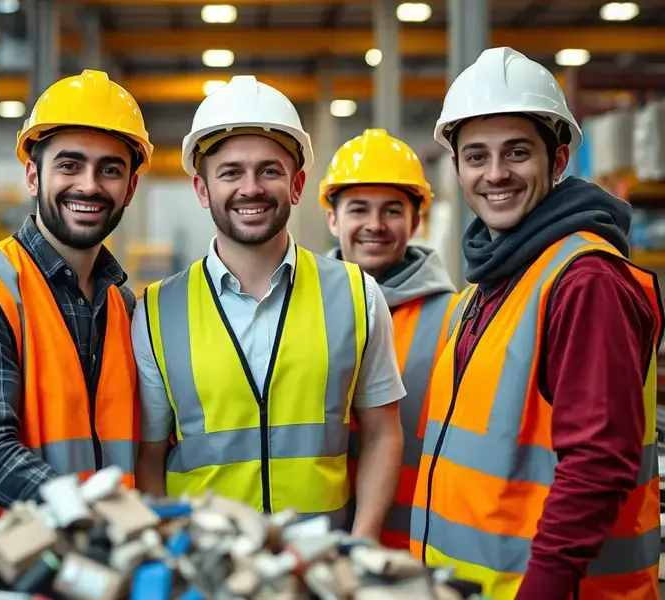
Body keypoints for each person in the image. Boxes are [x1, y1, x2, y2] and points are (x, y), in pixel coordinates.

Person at [409, 47, 664, 600]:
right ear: (455, 167)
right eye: (476, 156)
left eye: (517, 153)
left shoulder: (585, 279)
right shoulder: (492, 280)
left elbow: (598, 465)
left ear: (559, 159)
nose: (495, 174)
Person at [132, 75, 405, 537]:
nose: (251, 188)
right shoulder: (157, 311)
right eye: (230, 172)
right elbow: (150, 456)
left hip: (319, 568)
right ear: (203, 190)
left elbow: (383, 434)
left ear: (297, 185)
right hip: (206, 568)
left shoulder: (358, 295)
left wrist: (360, 543)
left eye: (270, 170)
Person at [0, 69, 152, 538]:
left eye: (110, 169)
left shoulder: (122, 304)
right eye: (69, 165)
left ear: (131, 188)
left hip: (93, 562)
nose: (89, 185)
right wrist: (95, 516)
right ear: (33, 175)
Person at [319, 128, 457, 549]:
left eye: (392, 211)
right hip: (317, 546)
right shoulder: (299, 312)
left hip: (421, 546)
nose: (375, 226)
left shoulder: (455, 318)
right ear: (333, 218)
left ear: (416, 220)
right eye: (359, 209)